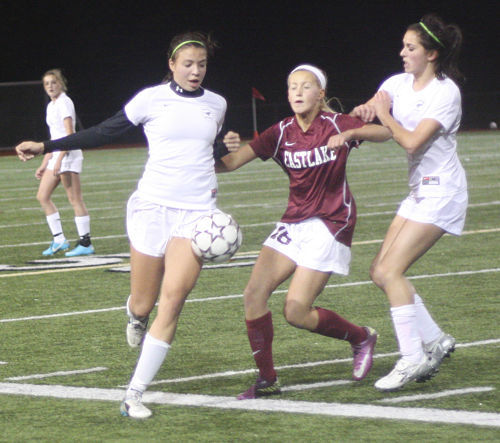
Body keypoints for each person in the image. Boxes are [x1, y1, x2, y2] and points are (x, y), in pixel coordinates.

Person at [16, 32, 231, 419]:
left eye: (201, 64)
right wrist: (47, 148)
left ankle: (134, 393)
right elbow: (104, 132)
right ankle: (134, 314)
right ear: (172, 64)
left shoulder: (217, 104)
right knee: (146, 302)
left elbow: (210, 152)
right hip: (152, 208)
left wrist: (226, 145)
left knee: (174, 301)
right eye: (188, 64)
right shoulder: (150, 98)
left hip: (197, 213)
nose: (195, 71)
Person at [217, 64, 392, 399]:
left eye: (306, 86)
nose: (297, 92)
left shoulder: (336, 123)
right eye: (292, 87)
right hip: (294, 221)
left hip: (332, 220)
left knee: (296, 311)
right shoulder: (280, 132)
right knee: (253, 295)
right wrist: (221, 146)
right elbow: (230, 164)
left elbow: (385, 132)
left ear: (320, 93)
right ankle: (267, 380)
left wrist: (352, 134)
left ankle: (360, 337)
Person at [348, 14, 467, 391]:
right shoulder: (398, 83)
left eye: (410, 48)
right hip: (419, 191)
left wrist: (382, 113)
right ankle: (434, 340)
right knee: (379, 271)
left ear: (431, 54)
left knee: (392, 271)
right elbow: (381, 124)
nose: (402, 53)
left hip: (443, 192)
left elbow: (412, 140)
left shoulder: (445, 93)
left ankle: (412, 357)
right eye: (403, 45)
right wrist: (354, 124)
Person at [36, 69, 94, 257]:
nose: (51, 86)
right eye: (47, 84)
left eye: (54, 82)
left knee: (75, 199)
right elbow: (55, 137)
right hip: (57, 155)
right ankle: (59, 240)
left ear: (61, 83)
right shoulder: (51, 105)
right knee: (42, 196)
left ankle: (85, 243)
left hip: (68, 154)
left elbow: (69, 135)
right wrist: (46, 162)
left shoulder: (64, 102)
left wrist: (60, 159)